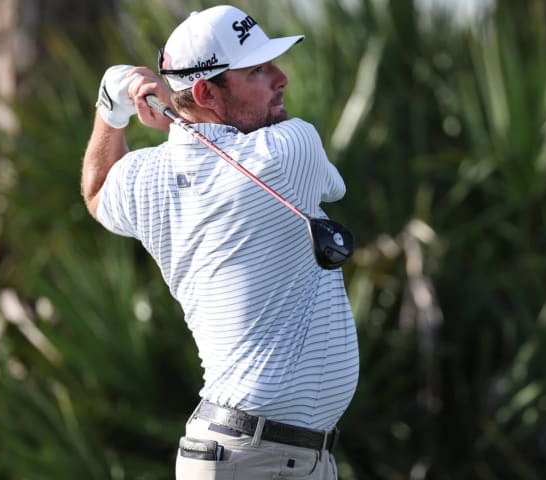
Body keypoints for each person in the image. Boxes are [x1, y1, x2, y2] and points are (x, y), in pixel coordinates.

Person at [80, 5, 359, 479]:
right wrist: (169, 116)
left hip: (263, 454)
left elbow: (96, 189)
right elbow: (332, 188)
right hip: (251, 459)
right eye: (257, 71)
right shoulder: (290, 149)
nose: (281, 79)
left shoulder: (147, 177)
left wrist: (114, 107)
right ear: (207, 91)